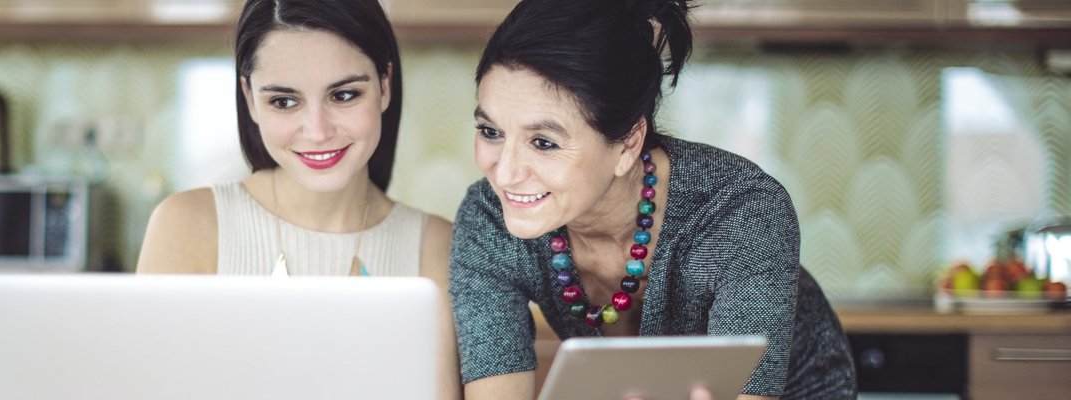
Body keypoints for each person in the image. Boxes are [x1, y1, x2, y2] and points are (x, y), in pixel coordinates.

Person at [448, 0, 856, 399]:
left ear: (628, 143)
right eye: (491, 132)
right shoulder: (489, 220)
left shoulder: (740, 211)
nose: (504, 173)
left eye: (543, 142)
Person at [135, 0, 460, 398]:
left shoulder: (438, 247)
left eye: (343, 95)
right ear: (250, 99)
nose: (317, 131)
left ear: (385, 85)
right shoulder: (186, 225)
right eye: (284, 101)